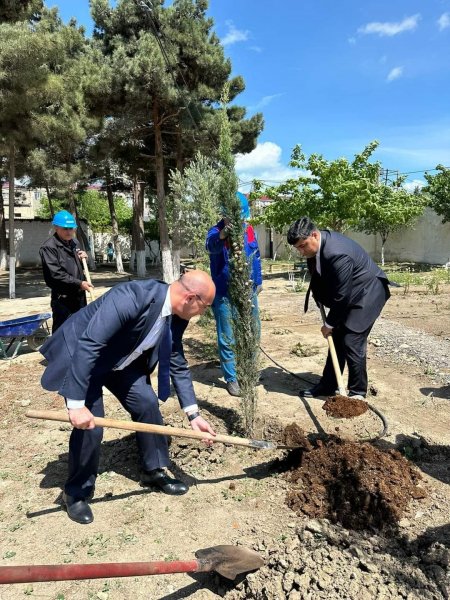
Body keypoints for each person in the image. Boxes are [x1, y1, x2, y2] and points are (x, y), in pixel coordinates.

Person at [39, 270, 217, 524]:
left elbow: (176, 359)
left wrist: (193, 414)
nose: (203, 313)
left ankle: (153, 470)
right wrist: (77, 405)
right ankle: (76, 493)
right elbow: (90, 344)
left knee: (146, 403)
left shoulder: (178, 314)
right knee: (91, 426)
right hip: (85, 357)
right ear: (190, 297)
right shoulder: (131, 297)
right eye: (205, 306)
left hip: (122, 361)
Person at [287, 216, 390, 400]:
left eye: (303, 246)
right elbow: (319, 276)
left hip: (369, 292)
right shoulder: (316, 249)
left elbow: (342, 296)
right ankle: (328, 386)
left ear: (314, 235)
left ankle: (358, 393)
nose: (301, 252)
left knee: (352, 338)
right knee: (337, 339)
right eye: (298, 248)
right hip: (351, 292)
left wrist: (329, 323)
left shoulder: (337, 253)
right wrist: (318, 297)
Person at [205, 191, 262, 397]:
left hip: (248, 290)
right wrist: (222, 235)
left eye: (241, 215)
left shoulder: (248, 230)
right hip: (223, 293)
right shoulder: (215, 231)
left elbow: (255, 256)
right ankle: (231, 378)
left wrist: (258, 281)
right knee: (228, 336)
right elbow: (210, 246)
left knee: (253, 330)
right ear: (224, 215)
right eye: (232, 215)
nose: (238, 220)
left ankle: (250, 370)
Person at [40, 210, 94, 333]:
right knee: (62, 334)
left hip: (79, 297)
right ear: (56, 227)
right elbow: (56, 274)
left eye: (71, 228)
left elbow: (74, 265)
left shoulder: (75, 243)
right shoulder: (49, 248)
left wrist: (82, 258)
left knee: (81, 331)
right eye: (65, 228)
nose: (69, 232)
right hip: (63, 300)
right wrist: (79, 283)